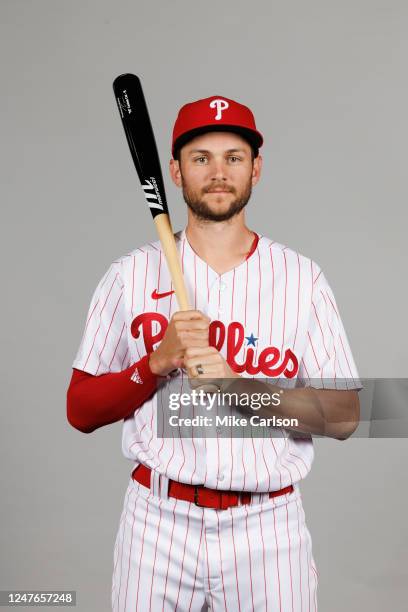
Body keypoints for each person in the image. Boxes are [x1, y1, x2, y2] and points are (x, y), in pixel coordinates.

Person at [67, 93, 361, 611]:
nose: (218, 172)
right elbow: (80, 410)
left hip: (268, 525)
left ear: (256, 168)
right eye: (201, 158)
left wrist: (234, 386)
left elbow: (345, 417)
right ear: (176, 173)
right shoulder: (129, 276)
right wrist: (154, 365)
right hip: (157, 520)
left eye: (234, 157)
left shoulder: (302, 279)